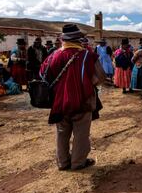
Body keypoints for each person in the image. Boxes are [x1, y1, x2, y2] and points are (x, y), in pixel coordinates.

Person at [40, 24, 105, 171]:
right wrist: (88, 83)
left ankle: (63, 163)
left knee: (62, 133)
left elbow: (43, 75)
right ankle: (78, 163)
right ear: (78, 39)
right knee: (81, 133)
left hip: (59, 102)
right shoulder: (87, 55)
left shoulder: (53, 56)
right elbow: (100, 77)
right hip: (83, 101)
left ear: (63, 39)